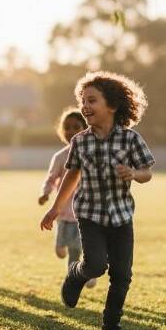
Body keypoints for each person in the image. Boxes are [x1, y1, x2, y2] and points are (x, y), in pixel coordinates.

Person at [40, 71, 155, 330]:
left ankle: (111, 326)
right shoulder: (80, 141)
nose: (85, 106)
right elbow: (72, 175)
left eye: (92, 100)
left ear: (112, 106)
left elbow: (147, 172)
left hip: (121, 216)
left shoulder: (131, 139)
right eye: (83, 100)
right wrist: (56, 208)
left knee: (122, 275)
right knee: (95, 266)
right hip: (89, 214)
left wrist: (134, 174)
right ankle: (75, 275)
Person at [38, 108, 96, 288]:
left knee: (76, 250)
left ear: (85, 128)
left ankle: (84, 275)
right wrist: (45, 193)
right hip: (62, 213)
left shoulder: (92, 153)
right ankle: (79, 269)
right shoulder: (60, 156)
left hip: (84, 213)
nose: (71, 131)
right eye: (67, 127)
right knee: (60, 251)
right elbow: (51, 178)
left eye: (76, 127)